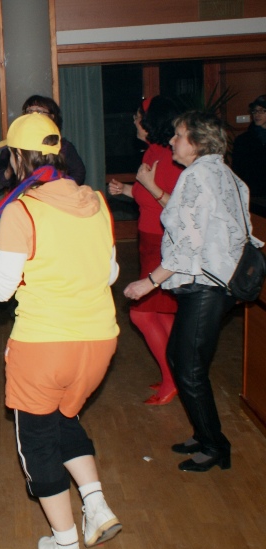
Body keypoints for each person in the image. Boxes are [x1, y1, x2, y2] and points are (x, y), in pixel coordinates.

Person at [0, 113, 121, 549]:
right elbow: (111, 272)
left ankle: (66, 547)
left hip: (44, 348)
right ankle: (96, 506)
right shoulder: (97, 201)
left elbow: (0, 289)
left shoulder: (23, 210)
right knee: (63, 420)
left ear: (18, 158)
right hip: (99, 342)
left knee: (36, 444)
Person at [124, 111, 261, 473]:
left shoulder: (197, 176)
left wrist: (149, 281)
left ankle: (216, 446)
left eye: (179, 135)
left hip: (207, 285)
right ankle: (204, 435)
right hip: (217, 283)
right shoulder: (224, 174)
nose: (172, 140)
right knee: (181, 358)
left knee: (189, 367)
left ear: (198, 142)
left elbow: (187, 244)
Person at [109, 96, 183, 405]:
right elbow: (149, 196)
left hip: (163, 244)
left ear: (151, 122)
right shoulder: (153, 151)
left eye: (139, 117)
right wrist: (126, 189)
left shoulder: (168, 156)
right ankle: (175, 375)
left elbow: (177, 207)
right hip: (149, 240)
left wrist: (147, 186)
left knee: (140, 314)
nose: (134, 121)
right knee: (162, 315)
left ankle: (172, 379)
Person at [0, 95, 86, 194]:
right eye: (29, 111)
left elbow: (79, 173)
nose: (33, 115)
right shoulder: (14, 144)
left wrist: (62, 191)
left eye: (39, 111)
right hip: (23, 198)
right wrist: (10, 169)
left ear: (52, 117)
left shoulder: (62, 146)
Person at [232, 94, 266, 198]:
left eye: (262, 111)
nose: (257, 114)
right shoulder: (243, 140)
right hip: (253, 195)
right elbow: (238, 171)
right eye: (255, 111)